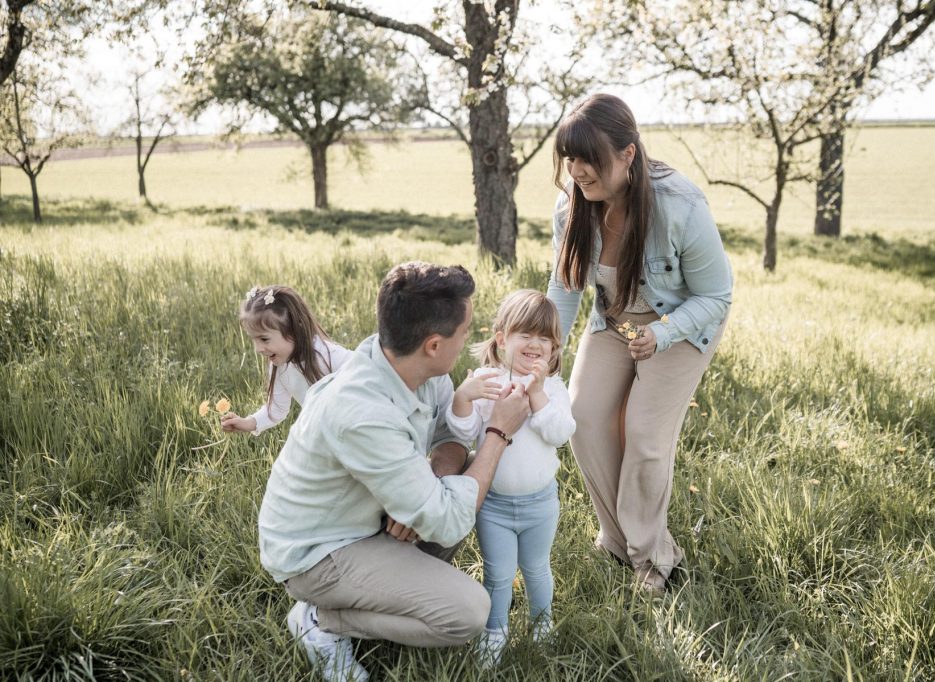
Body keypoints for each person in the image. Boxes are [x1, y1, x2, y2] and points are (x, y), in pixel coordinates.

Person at [258, 262, 530, 682]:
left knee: (451, 492)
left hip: (364, 522)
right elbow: (451, 518)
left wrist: (428, 485)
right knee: (467, 612)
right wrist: (499, 432)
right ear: (434, 344)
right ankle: (320, 620)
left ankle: (374, 585)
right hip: (317, 552)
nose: (467, 341)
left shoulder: (416, 368)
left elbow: (449, 437)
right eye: (464, 332)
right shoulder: (362, 412)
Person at [546, 93, 733, 593]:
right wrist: (546, 350)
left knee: (645, 434)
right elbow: (565, 285)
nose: (577, 171)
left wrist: (662, 333)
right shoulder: (571, 206)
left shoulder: (681, 205)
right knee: (583, 417)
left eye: (589, 159)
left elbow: (716, 295)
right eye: (570, 158)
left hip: (682, 323)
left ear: (628, 154)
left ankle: (654, 561)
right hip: (616, 321)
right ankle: (618, 538)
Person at [445, 289, 576, 665]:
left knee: (536, 569)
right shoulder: (487, 381)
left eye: (544, 338)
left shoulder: (553, 388)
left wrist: (537, 395)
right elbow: (463, 431)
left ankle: (542, 624)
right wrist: (463, 397)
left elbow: (560, 434)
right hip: (495, 506)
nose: (535, 344)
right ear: (502, 339)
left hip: (540, 504)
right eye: (525, 334)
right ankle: (495, 631)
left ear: (554, 348)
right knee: (498, 574)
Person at [220, 285, 351, 435]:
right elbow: (276, 409)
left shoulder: (329, 356)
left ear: (294, 330)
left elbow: (365, 367)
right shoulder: (280, 365)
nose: (258, 349)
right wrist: (248, 423)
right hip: (330, 434)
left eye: (264, 339)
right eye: (254, 340)